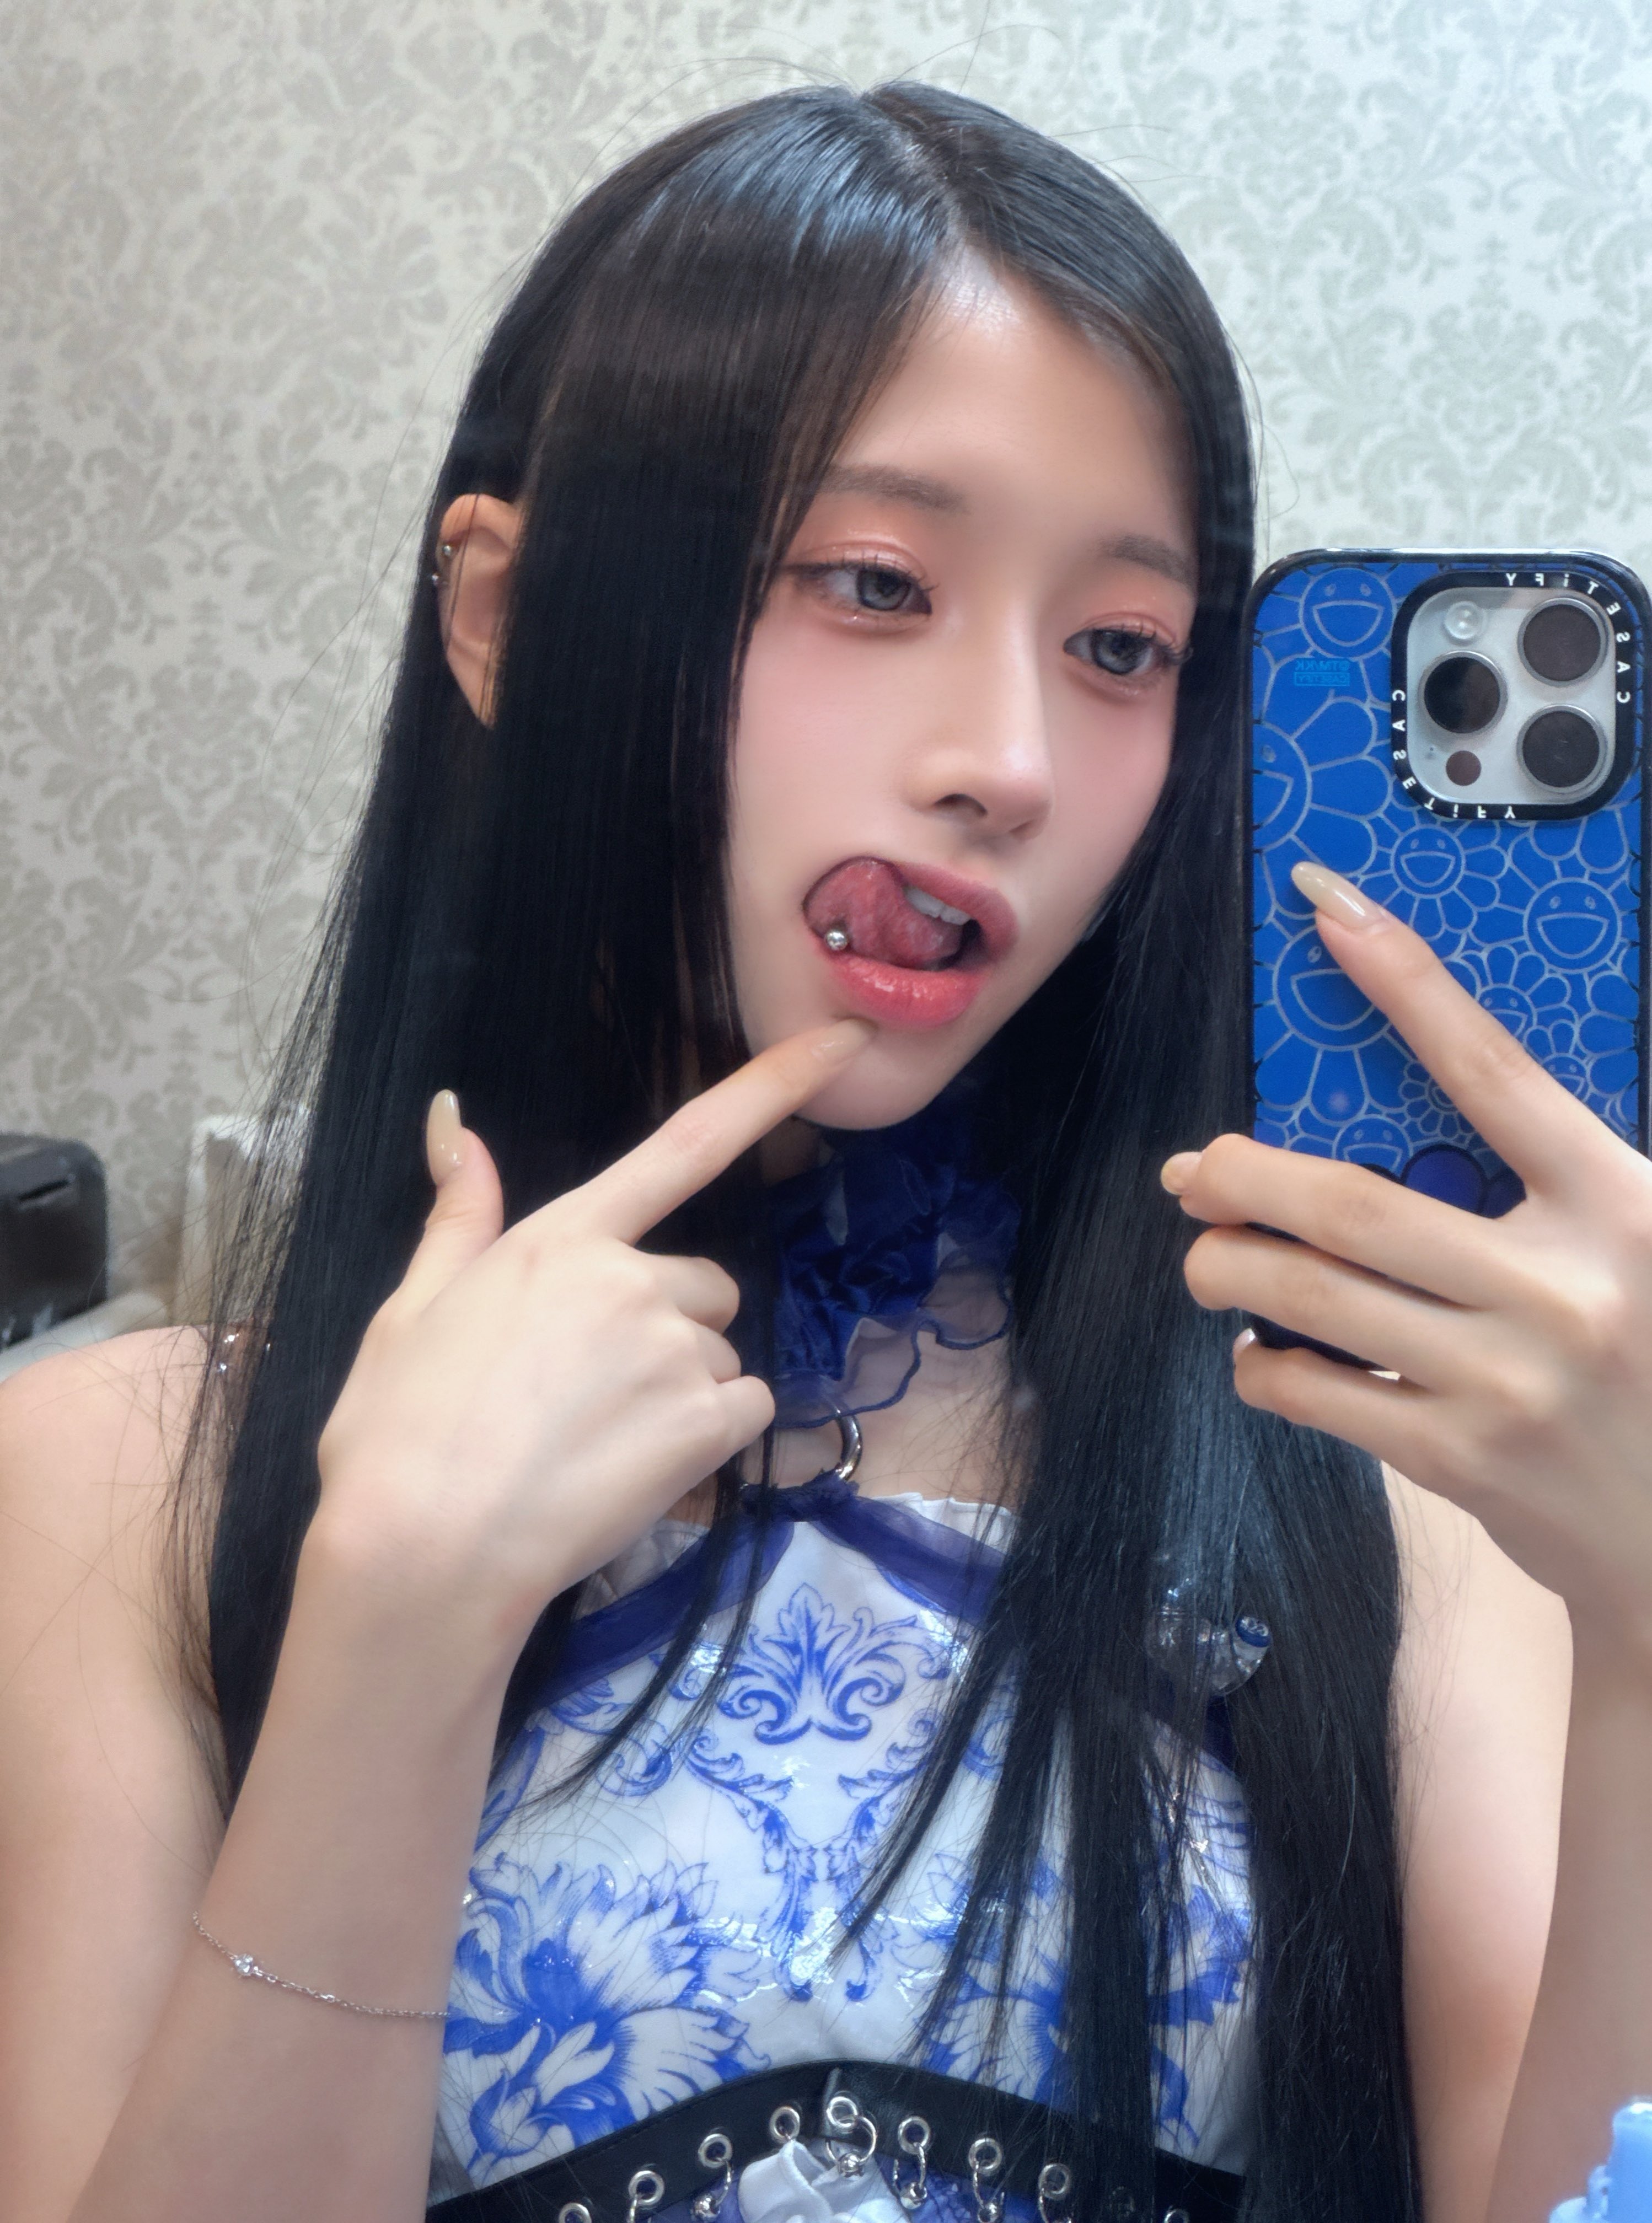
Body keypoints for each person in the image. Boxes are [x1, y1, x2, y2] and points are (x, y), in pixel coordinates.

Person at [1, 80, 1648, 2223]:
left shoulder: (1381, 1481)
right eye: (874, 582)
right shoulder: (115, 1485)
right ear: (502, 617)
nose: (1007, 762)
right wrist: (388, 1642)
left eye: (1119, 646)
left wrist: (1642, 1622)